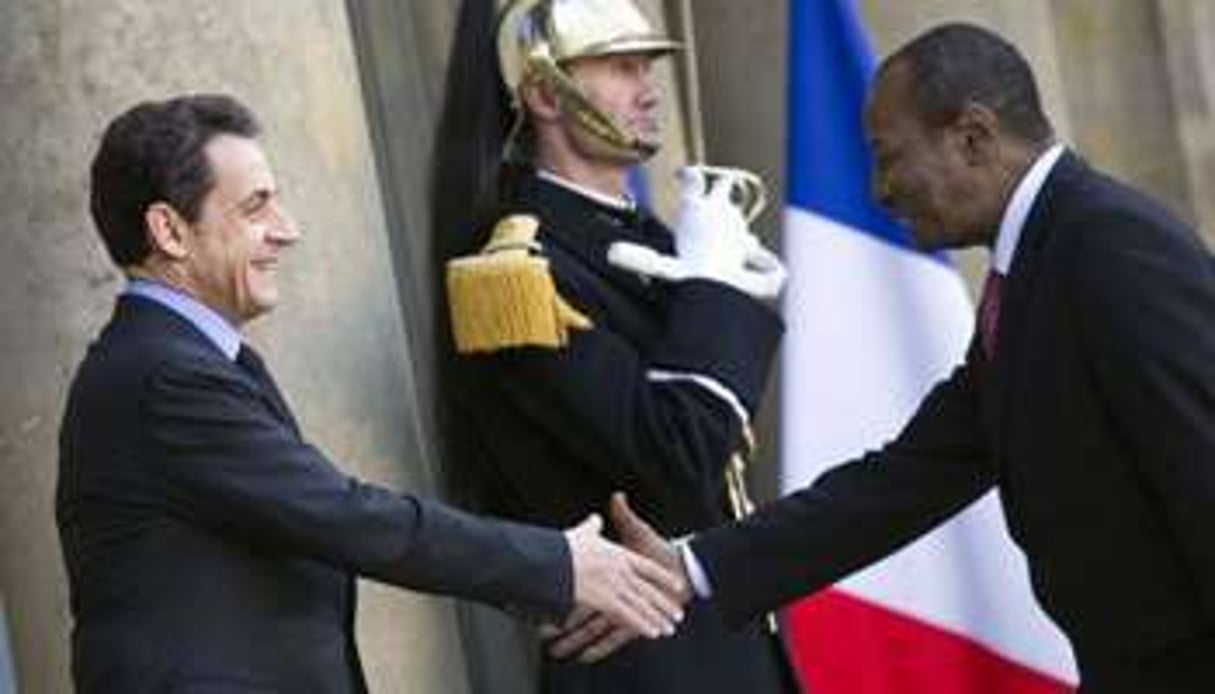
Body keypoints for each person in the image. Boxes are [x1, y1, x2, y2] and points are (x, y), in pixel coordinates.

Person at [603, 22, 1215, 693]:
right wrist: (689, 567)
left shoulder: (1108, 245)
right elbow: (905, 480)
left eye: (888, 157)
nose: (879, 190)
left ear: (972, 137)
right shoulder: (1039, 263)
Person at [55, 93, 685, 693]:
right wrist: (557, 564)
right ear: (169, 231)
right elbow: (345, 515)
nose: (287, 230)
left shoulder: (186, 360)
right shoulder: (167, 376)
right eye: (255, 208)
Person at [429, 0, 796, 691]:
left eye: (647, 64)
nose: (648, 87)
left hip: (717, 638)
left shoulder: (651, 240)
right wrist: (713, 289)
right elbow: (678, 450)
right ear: (542, 93)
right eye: (621, 67)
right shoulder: (518, 275)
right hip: (638, 664)